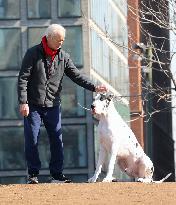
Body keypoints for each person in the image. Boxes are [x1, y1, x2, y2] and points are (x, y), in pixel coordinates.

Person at [18, 24, 107, 184]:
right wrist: (23, 102)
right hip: (33, 105)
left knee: (57, 139)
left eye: (63, 40)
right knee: (32, 138)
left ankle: (57, 175)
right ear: (49, 38)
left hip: (53, 105)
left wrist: (94, 87)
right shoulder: (32, 53)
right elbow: (23, 78)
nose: (61, 43)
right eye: (59, 40)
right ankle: (33, 174)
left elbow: (77, 76)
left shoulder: (63, 57)